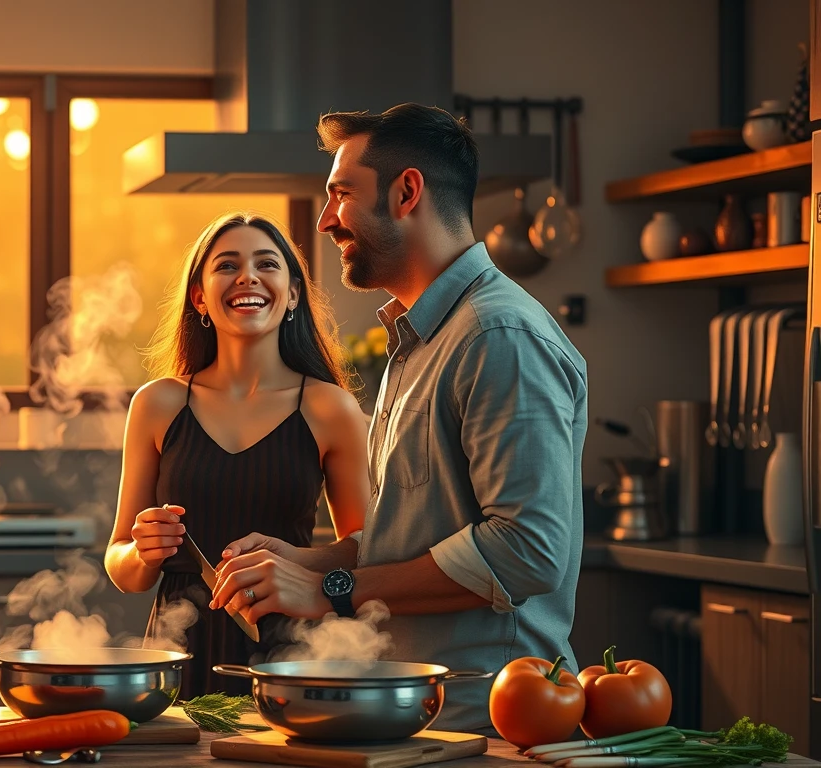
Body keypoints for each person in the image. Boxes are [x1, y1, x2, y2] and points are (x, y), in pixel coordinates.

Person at [210, 104, 589, 733]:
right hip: (422, 718)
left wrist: (331, 592)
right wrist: (310, 560)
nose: (328, 220)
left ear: (406, 191)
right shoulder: (418, 340)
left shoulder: (498, 335)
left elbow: (528, 550)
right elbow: (408, 532)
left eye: (341, 195)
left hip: (488, 725)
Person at [104, 211, 371, 698]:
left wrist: (297, 566)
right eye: (227, 265)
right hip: (175, 652)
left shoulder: (331, 408)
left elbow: (365, 547)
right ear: (200, 296)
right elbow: (123, 567)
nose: (248, 276)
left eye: (267, 264)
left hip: (291, 654)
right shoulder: (157, 404)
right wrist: (142, 551)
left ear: (292, 293)